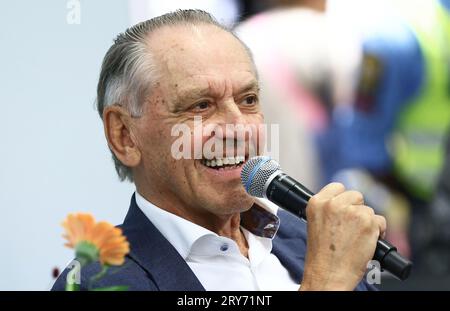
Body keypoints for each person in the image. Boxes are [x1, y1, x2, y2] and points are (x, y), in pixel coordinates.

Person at [52, 9, 385, 291]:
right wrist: (324, 283)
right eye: (200, 105)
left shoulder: (312, 239)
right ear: (125, 135)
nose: (238, 127)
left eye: (248, 100)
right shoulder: (99, 280)